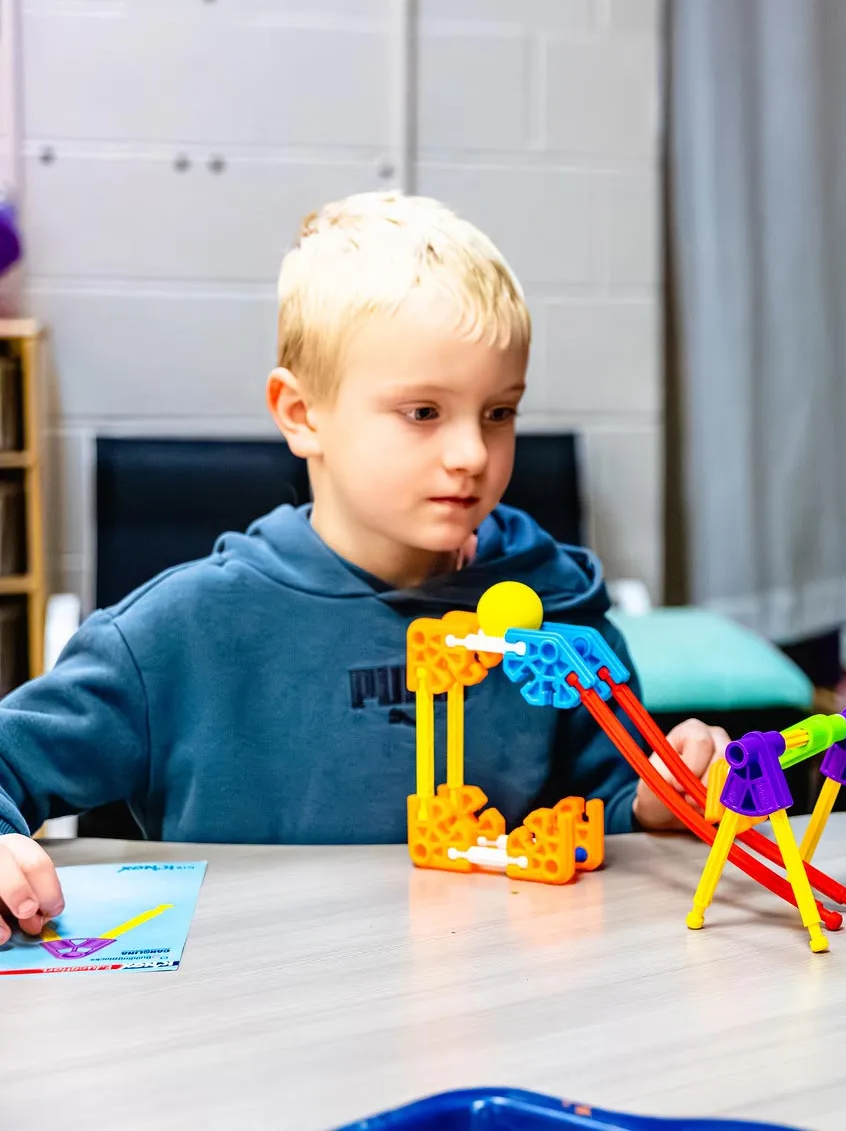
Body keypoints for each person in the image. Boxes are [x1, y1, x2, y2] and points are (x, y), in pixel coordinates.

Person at [0, 192, 725, 933]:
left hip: (501, 1017)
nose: (472, 453)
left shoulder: (559, 608)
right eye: (423, 413)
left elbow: (603, 812)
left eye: (499, 412)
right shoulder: (174, 637)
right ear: (302, 414)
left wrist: (653, 801)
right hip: (254, 1020)